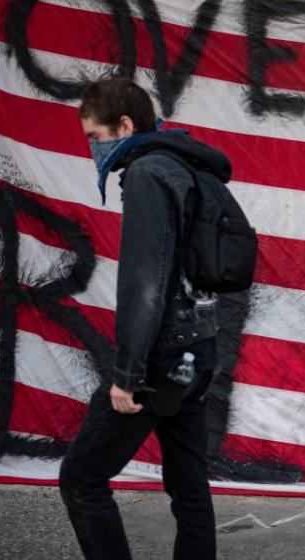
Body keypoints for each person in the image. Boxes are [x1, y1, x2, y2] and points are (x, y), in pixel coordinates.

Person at [60, 78, 231, 559]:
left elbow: (145, 283)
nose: (92, 148)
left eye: (95, 136)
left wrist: (128, 375)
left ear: (125, 125)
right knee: (189, 485)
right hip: (200, 348)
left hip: (163, 356)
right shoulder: (187, 164)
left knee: (81, 477)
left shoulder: (148, 174)